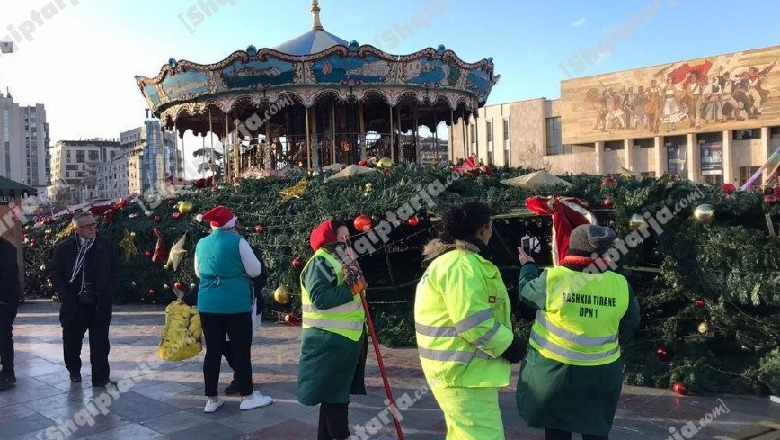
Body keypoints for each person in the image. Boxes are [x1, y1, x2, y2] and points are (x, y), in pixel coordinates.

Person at [515, 224, 641, 440]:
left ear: (572, 247)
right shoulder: (619, 284)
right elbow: (631, 321)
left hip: (556, 372)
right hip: (602, 375)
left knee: (556, 428)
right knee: (595, 429)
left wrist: (527, 266)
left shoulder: (554, 279)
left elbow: (526, 293)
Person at [414, 202, 523, 440]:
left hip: (458, 372)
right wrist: (510, 345)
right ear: (483, 228)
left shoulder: (451, 262)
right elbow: (473, 323)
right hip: (464, 374)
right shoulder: (462, 265)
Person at [194, 206, 272, 412]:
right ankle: (247, 396)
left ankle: (211, 399)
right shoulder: (239, 242)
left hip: (208, 305)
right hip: (235, 305)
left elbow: (199, 272)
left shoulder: (202, 243)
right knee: (241, 350)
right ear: (231, 224)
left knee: (213, 351)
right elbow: (255, 270)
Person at [297, 219, 368, 440]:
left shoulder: (341, 260)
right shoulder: (320, 263)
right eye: (343, 238)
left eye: (349, 237)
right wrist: (351, 289)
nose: (348, 242)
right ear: (330, 241)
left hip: (343, 340)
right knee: (335, 398)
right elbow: (320, 298)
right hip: (328, 340)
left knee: (334, 395)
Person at [49, 211, 120, 388]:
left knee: (101, 343)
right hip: (75, 304)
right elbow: (55, 273)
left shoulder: (105, 244)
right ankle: (74, 369)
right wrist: (65, 294)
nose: (92, 229)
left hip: (99, 303)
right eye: (87, 226)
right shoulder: (65, 247)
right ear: (76, 229)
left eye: (93, 224)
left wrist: (108, 291)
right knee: (72, 342)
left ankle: (101, 378)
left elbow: (116, 269)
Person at [0, 236, 21, 391]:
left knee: (4, 336)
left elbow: (8, 277)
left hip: (3, 301)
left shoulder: (5, 248)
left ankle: (8, 372)